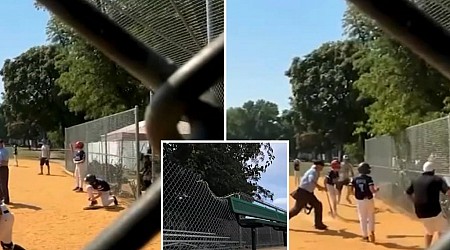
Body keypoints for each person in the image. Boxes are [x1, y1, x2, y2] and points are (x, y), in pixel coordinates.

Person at [406, 161, 450, 249]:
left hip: (420, 212)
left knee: (429, 231)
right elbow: (448, 192)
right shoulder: (437, 179)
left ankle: (427, 248)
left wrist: (414, 202)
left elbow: (407, 193)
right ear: (433, 170)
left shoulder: (416, 179)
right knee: (444, 230)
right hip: (434, 211)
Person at [289, 160, 328, 230]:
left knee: (318, 205)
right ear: (318, 165)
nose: (322, 168)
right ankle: (284, 220)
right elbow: (311, 180)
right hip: (303, 192)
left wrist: (318, 187)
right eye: (322, 166)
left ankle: (318, 224)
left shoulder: (316, 171)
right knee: (296, 210)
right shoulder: (313, 171)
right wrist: (320, 187)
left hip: (308, 193)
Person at [349, 162, 379, 242]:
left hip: (360, 201)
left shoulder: (355, 178)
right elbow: (372, 190)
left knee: (363, 218)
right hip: (369, 200)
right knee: (371, 216)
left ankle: (365, 236)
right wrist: (376, 190)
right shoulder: (369, 179)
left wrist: (353, 194)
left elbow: (350, 189)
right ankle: (372, 231)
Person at [0, 140, 10, 205]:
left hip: (3, 168)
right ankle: (1, 198)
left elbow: (5, 162)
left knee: (3, 185)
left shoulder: (4, 151)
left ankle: (6, 199)